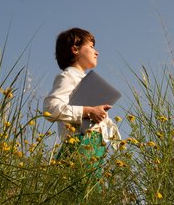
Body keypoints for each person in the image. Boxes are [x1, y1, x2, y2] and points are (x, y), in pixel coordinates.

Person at [43, 27, 121, 168]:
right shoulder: (68, 76)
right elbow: (50, 109)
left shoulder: (87, 81)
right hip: (78, 144)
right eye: (91, 47)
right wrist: (88, 111)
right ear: (75, 49)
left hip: (95, 148)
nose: (96, 52)